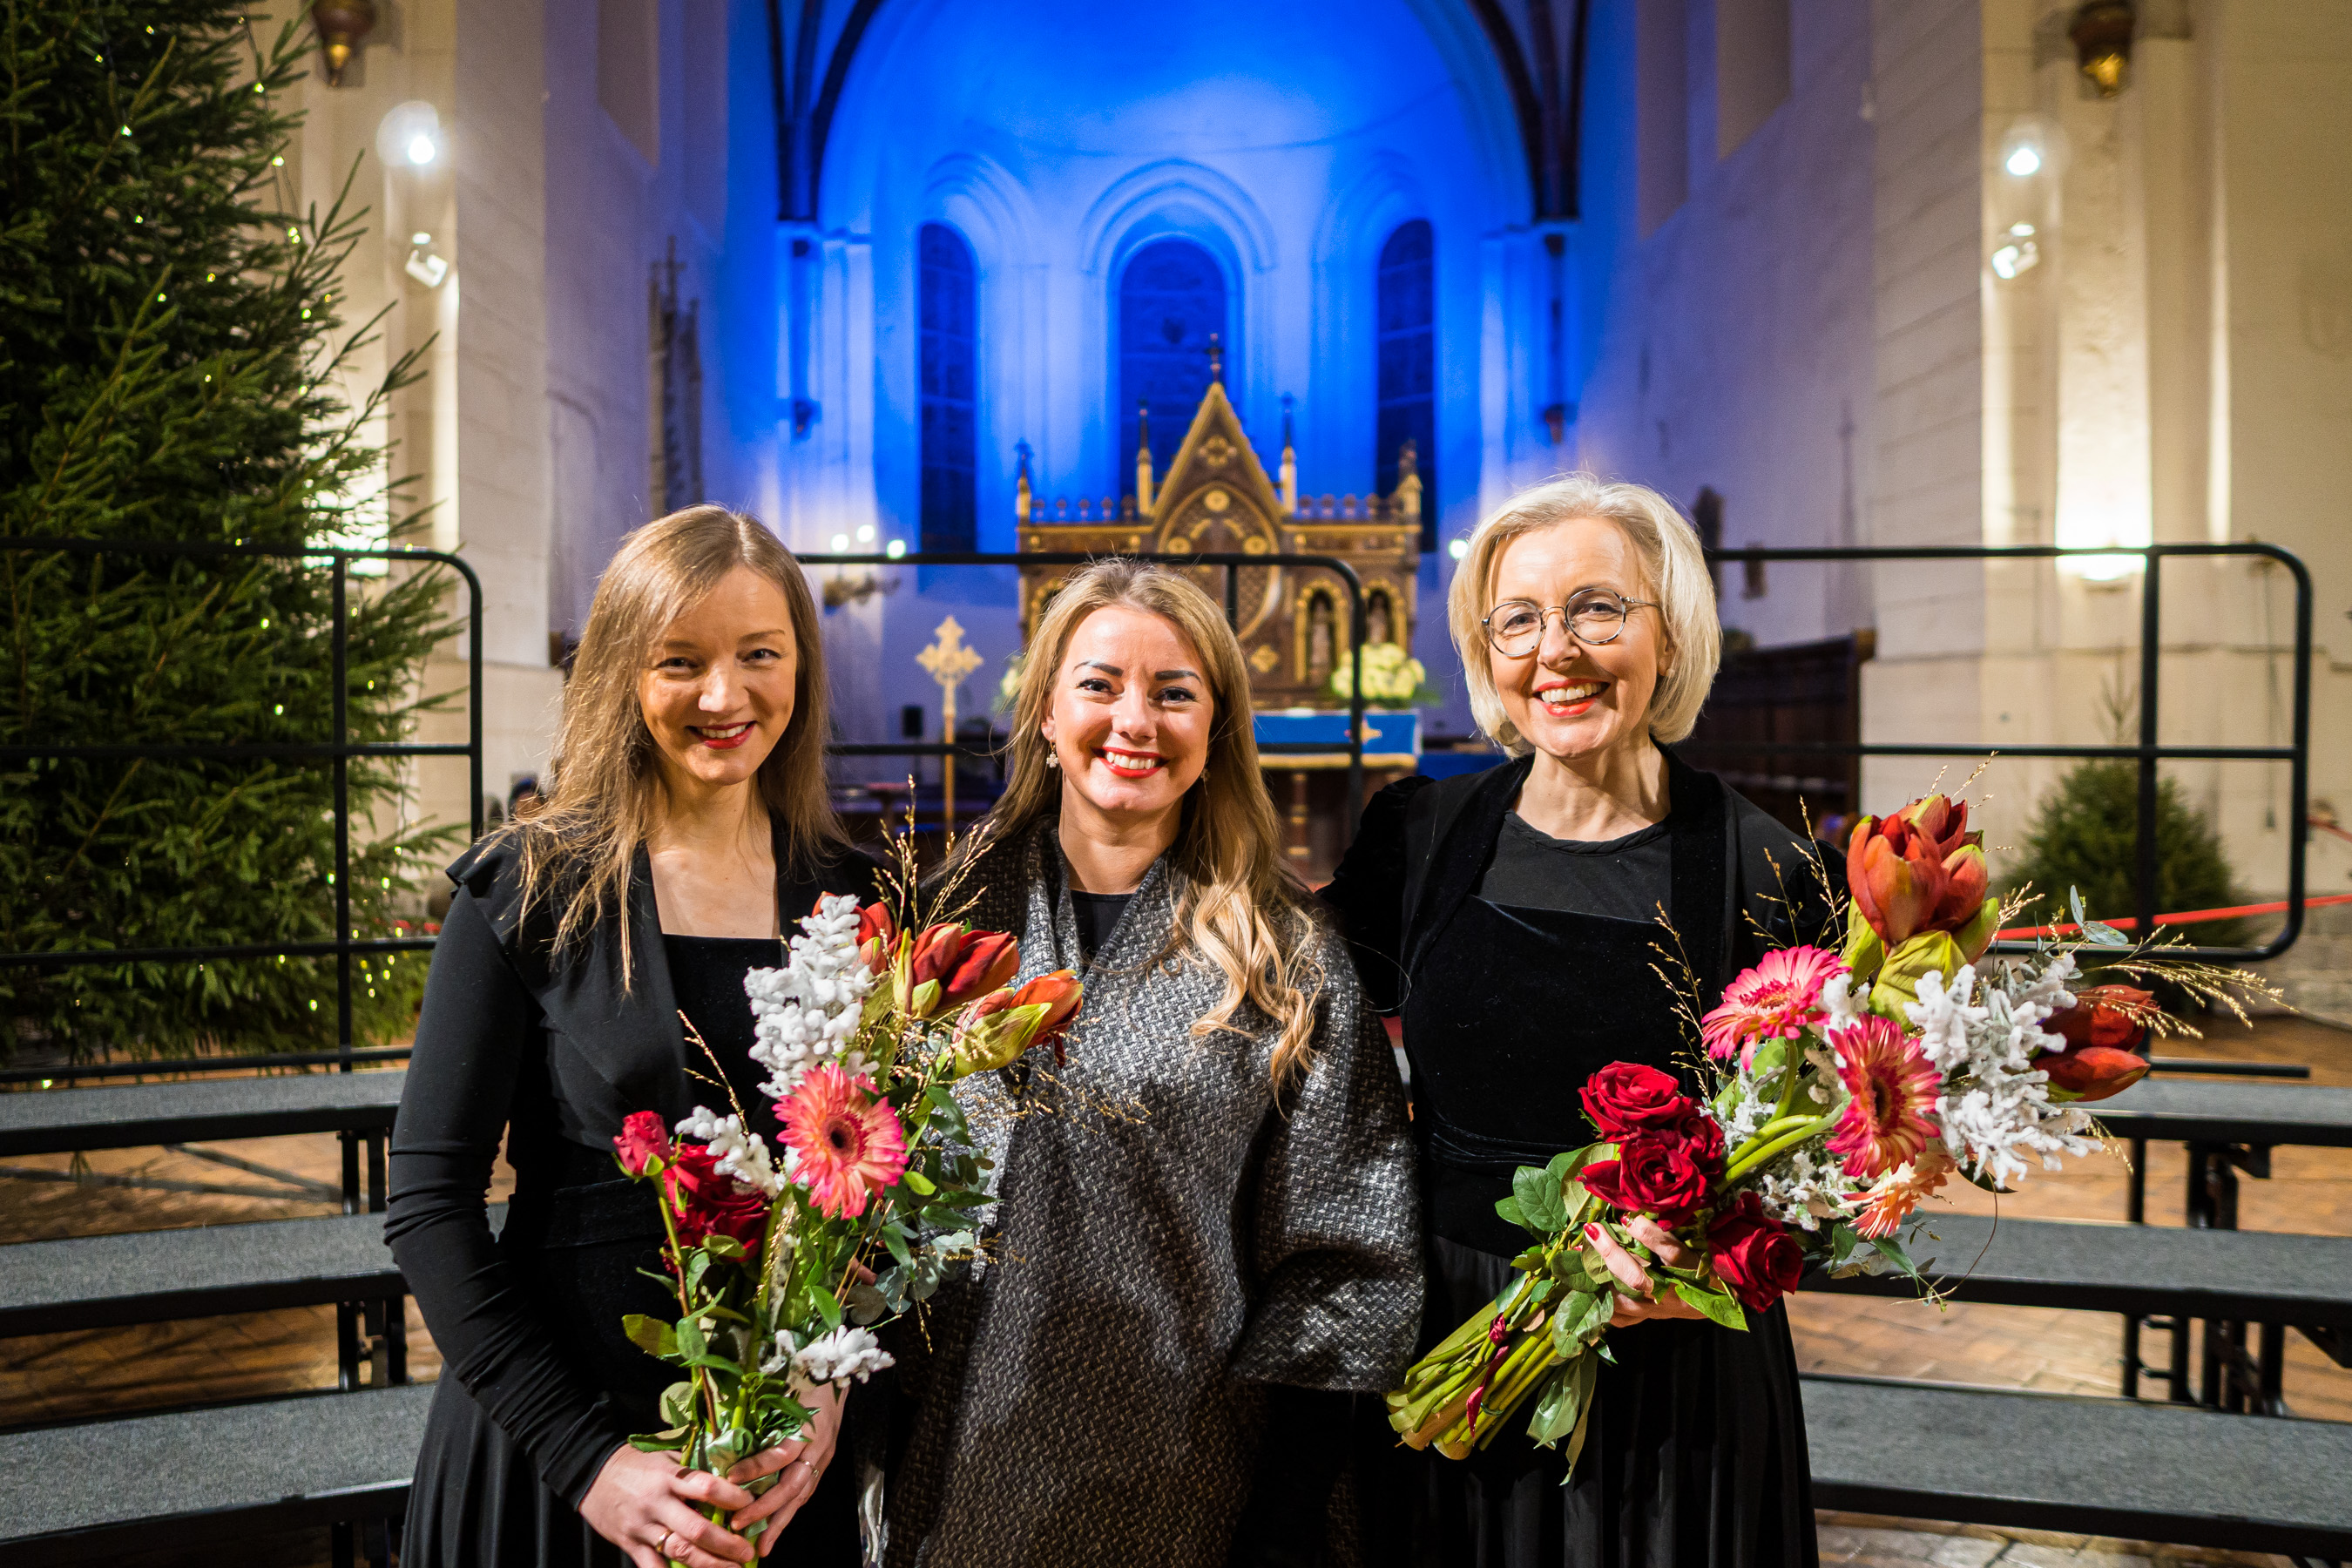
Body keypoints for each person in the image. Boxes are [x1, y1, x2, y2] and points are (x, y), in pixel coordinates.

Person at [1321, 476, 1833, 1568]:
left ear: (1670, 633)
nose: (1557, 650)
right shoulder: (1418, 834)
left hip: (1678, 1382)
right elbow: (1296, 1016)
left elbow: (1842, 1163)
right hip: (1457, 1335)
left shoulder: (1770, 871)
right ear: (1488, 651)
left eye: (1598, 609)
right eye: (1519, 620)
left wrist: (1720, 1265)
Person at [883, 559, 1422, 1568]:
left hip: (1200, 1481)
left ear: (1216, 730)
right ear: (1047, 713)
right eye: (1100, 684)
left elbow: (1347, 1254)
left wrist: (1281, 1522)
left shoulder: (1287, 953)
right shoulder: (944, 920)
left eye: (1174, 693)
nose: (1135, 720)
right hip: (957, 1466)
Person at [387, 507, 886, 1568]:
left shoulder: (853, 896)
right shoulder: (531, 888)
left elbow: (872, 1192)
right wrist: (589, 1463)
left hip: (772, 1471)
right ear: (624, 673)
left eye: (760, 655)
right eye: (680, 661)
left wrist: (826, 1375)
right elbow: (429, 1204)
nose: (724, 696)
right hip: (564, 1464)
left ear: (801, 667)